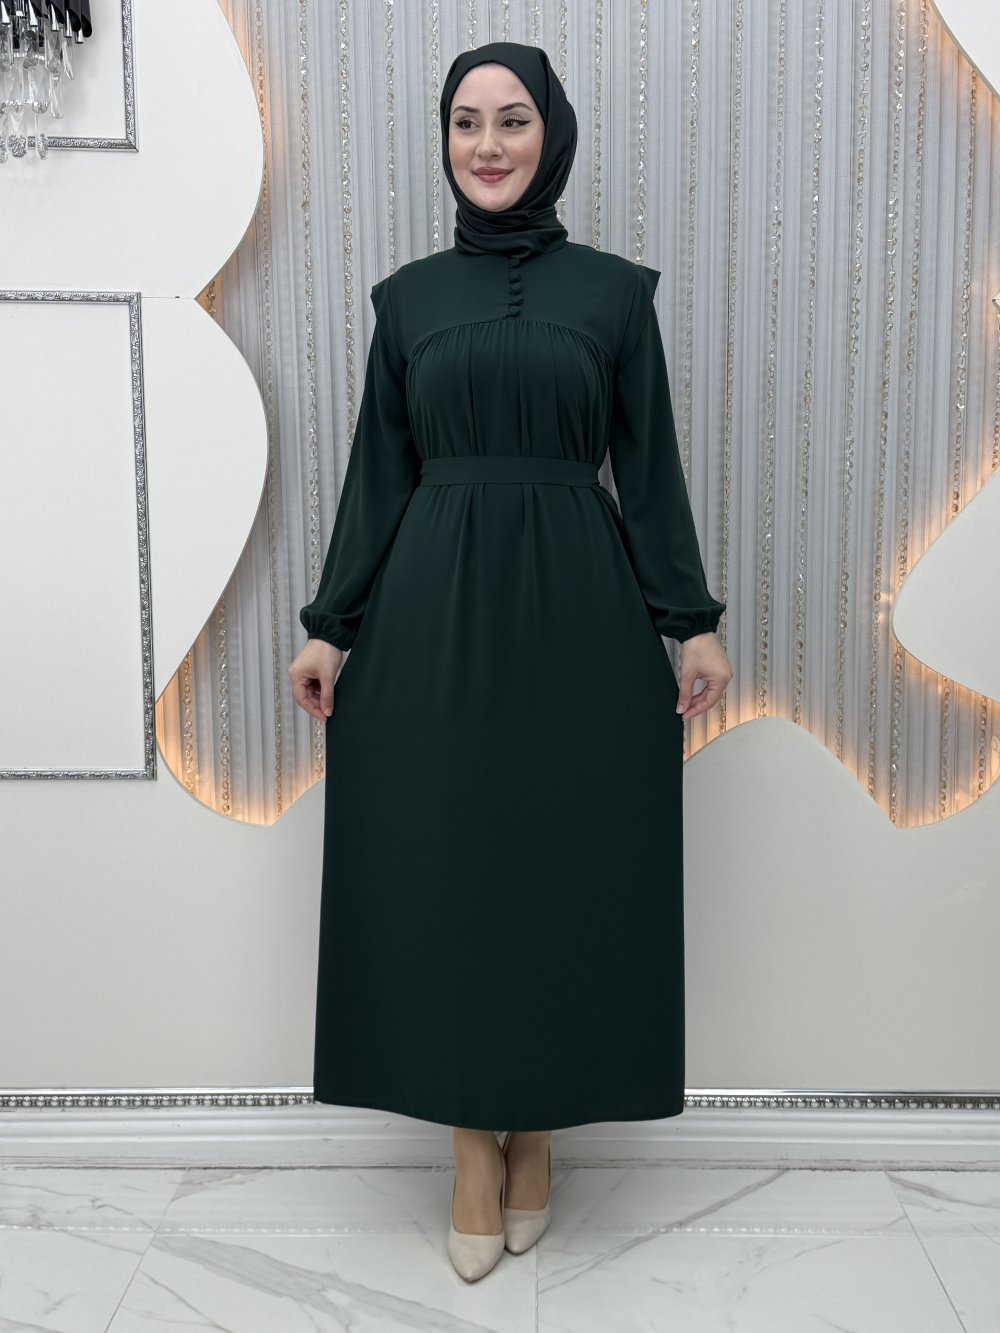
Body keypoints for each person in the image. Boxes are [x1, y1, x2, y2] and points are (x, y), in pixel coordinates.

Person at [288, 40, 733, 1282]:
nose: (487, 144)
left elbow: (647, 471)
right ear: (444, 139)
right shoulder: (406, 301)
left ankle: (534, 1131)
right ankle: (468, 1152)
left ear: (553, 134)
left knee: (558, 866)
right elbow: (378, 476)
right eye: (466, 122)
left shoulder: (616, 296)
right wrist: (331, 622)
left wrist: (689, 617)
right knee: (444, 873)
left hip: (580, 613)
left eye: (513, 119)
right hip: (430, 611)